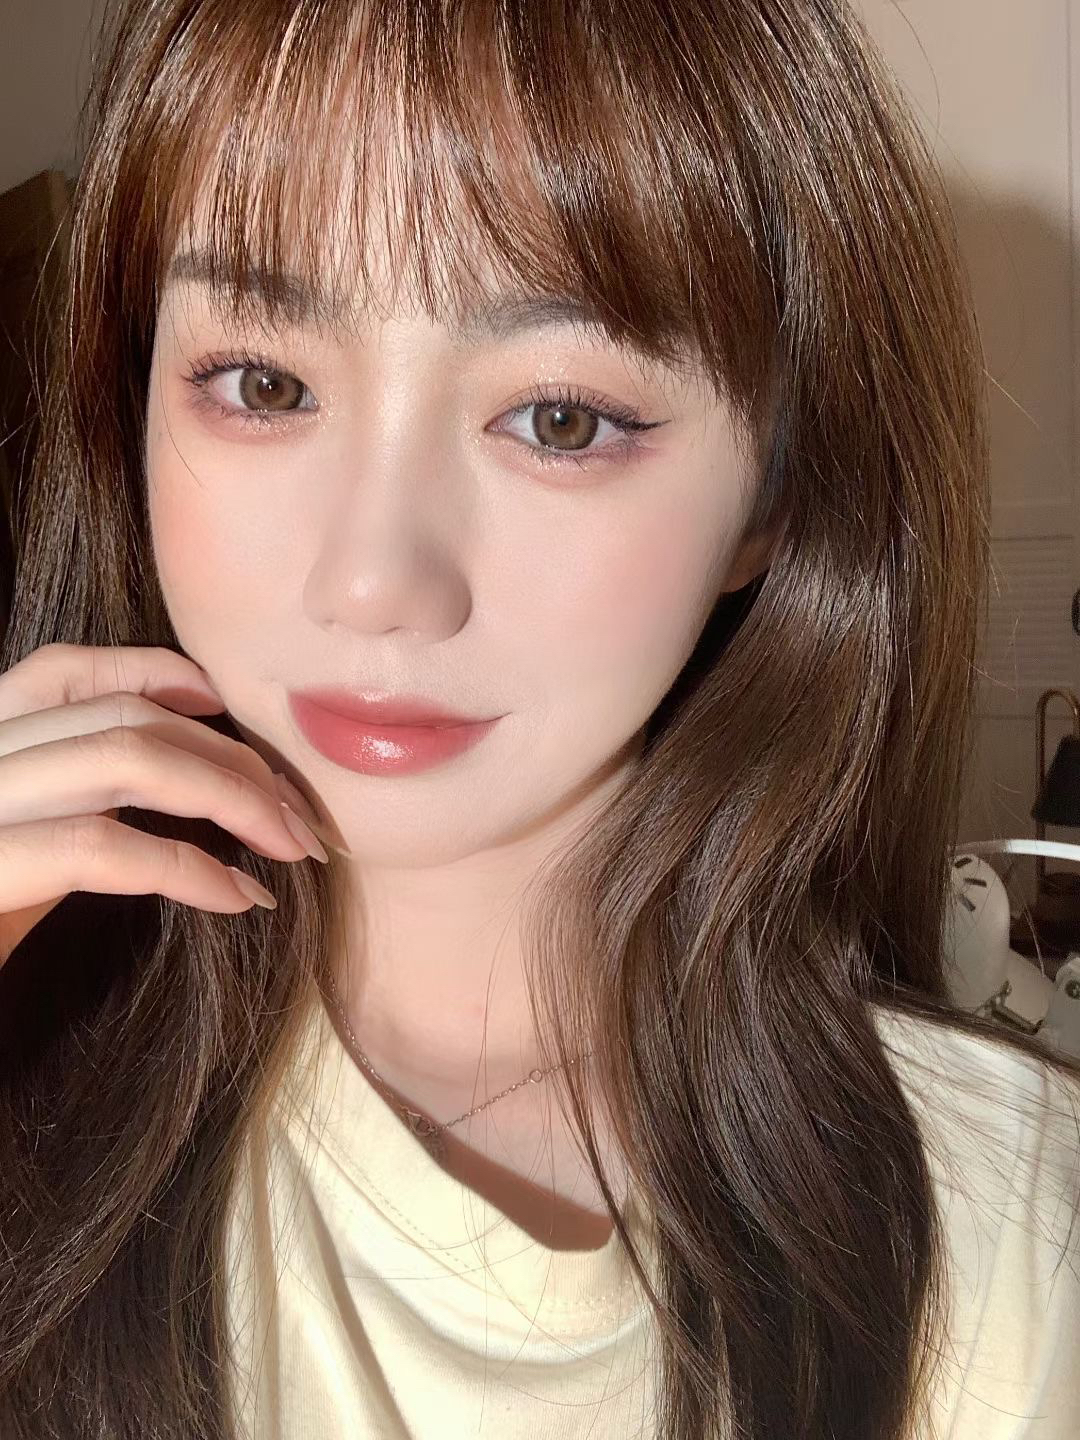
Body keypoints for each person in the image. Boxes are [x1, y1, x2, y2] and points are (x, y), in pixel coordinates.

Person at [0, 0, 1077, 1436]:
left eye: (561, 419)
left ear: (772, 498)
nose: (374, 582)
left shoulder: (1009, 1229)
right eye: (265, 384)